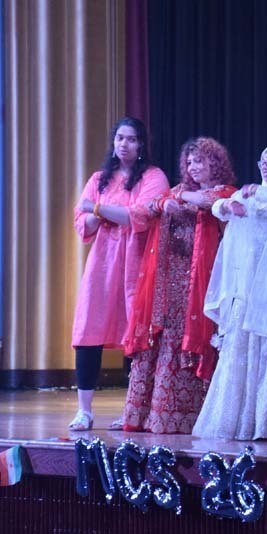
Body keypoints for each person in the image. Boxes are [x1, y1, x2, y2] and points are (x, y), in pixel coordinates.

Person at [193, 143, 267, 440]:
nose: (265, 167)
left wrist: (255, 194)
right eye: (263, 161)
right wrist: (227, 206)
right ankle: (238, 418)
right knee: (242, 343)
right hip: (249, 284)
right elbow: (221, 207)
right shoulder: (252, 191)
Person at [121, 137, 236, 434]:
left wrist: (178, 200)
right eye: (190, 161)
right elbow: (147, 206)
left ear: (215, 163)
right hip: (167, 285)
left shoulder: (226, 194)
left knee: (192, 340)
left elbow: (211, 203)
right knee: (159, 342)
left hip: (202, 285)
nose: (193, 166)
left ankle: (189, 417)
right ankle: (147, 415)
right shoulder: (178, 190)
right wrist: (164, 201)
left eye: (200, 160)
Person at [69, 117, 170, 431]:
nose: (124, 145)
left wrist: (98, 209)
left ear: (141, 145)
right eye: (120, 138)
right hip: (103, 263)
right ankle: (84, 410)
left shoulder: (153, 177)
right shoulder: (100, 178)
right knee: (88, 330)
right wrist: (97, 213)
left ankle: (134, 410)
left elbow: (137, 216)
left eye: (131, 139)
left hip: (139, 263)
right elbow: (81, 222)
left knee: (138, 333)